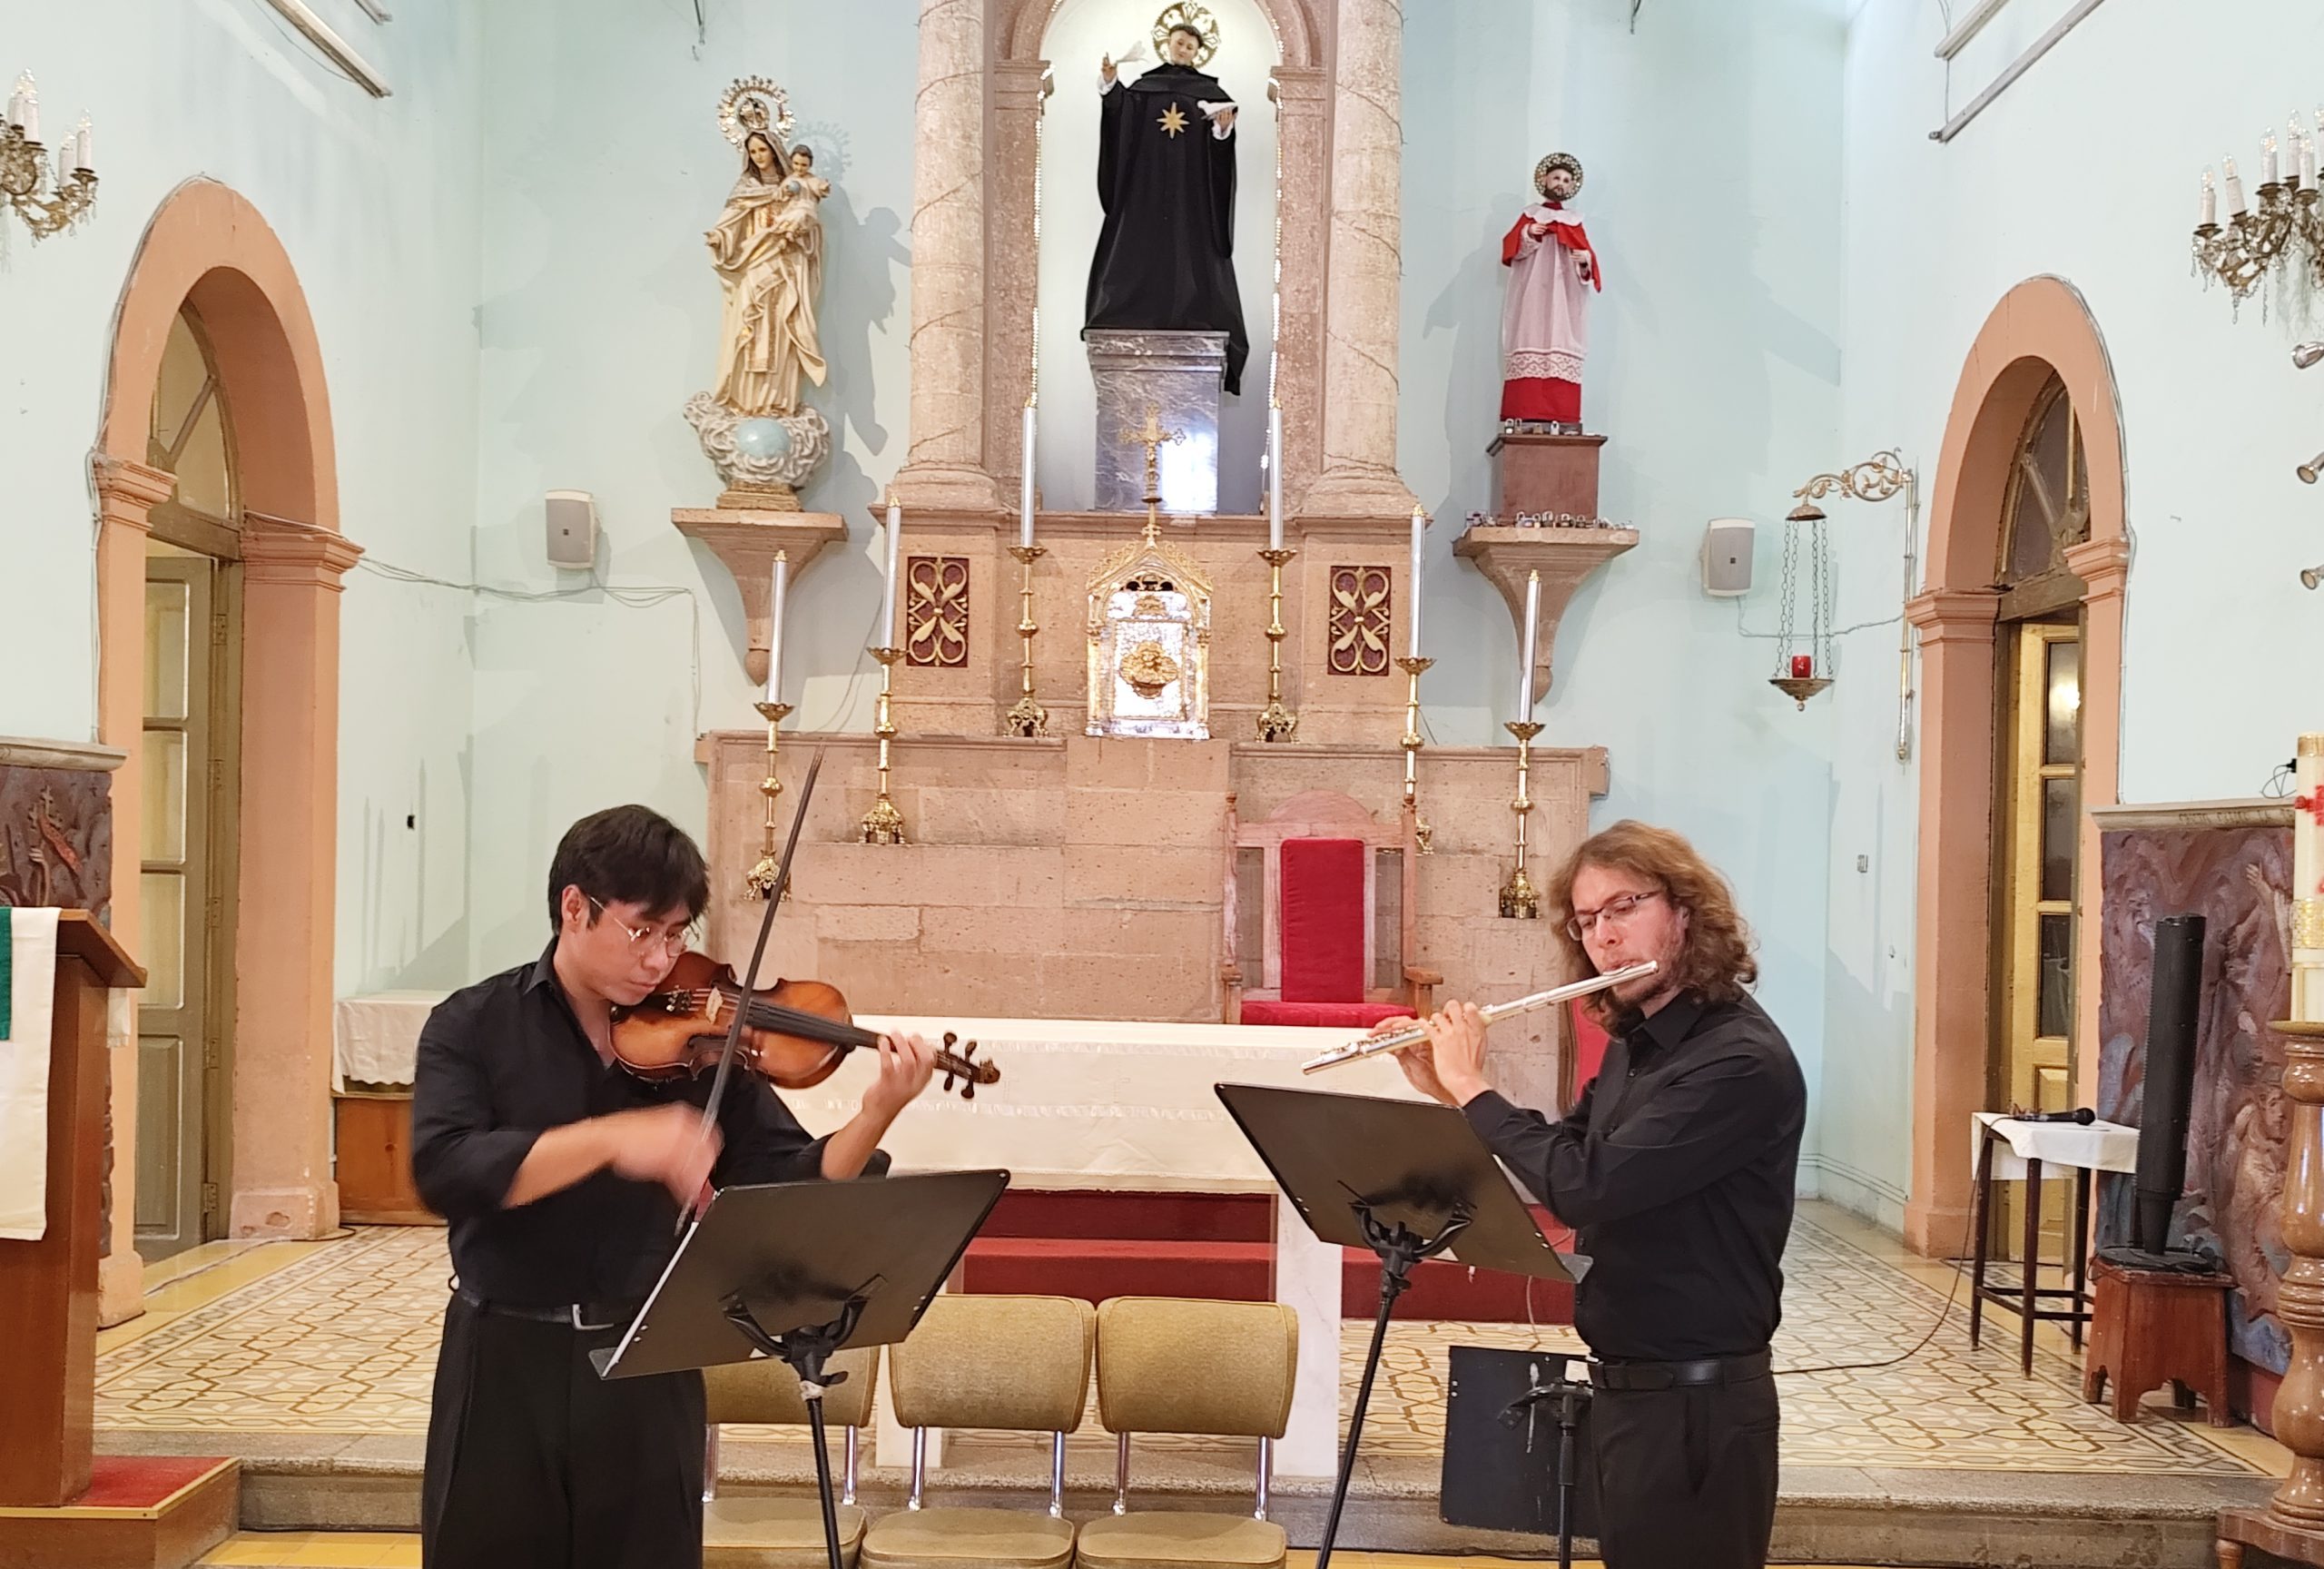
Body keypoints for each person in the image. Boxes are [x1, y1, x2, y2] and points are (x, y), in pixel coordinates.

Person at [411, 804, 936, 1569]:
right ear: (573, 908)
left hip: (644, 1357)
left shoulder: (706, 1049)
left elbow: (791, 1180)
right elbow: (447, 1170)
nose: (662, 960)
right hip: (502, 1355)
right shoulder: (473, 1025)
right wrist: (613, 1139)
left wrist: (877, 1112)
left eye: (677, 933)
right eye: (642, 931)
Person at [1388, 820, 1804, 1569]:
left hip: (1698, 1410)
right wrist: (1454, 1098)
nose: (1602, 938)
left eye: (1623, 908)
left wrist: (1474, 1087)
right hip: (1636, 1393)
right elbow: (1572, 1151)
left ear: (1685, 911)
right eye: (1586, 921)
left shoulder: (1737, 1061)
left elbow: (1584, 1188)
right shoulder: (1639, 1044)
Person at [1085, 21, 1250, 395]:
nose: (1184, 50)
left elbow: (1220, 156)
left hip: (1189, 196)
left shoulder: (1211, 93)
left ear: (1198, 52)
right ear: (1168, 45)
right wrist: (1110, 86)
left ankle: (1189, 311)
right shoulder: (1143, 90)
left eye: (1191, 46)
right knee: (1136, 250)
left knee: (1189, 254)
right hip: (1145, 191)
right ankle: (1132, 310)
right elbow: (1119, 117)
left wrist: (1222, 131)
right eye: (1179, 43)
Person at [707, 129, 829, 417]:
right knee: (751, 324)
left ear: (775, 150)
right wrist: (719, 237)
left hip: (786, 265)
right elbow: (729, 223)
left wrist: (799, 228)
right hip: (755, 261)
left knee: (782, 323)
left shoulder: (795, 185)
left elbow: (809, 220)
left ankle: (776, 401)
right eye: (753, 152)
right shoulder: (746, 188)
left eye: (763, 150)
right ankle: (746, 401)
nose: (759, 156)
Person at [1499, 152, 1601, 433]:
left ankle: (1561, 412)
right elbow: (1511, 250)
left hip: (1564, 294)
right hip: (1534, 288)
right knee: (1530, 332)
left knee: (1563, 337)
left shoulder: (1574, 220)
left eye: (1566, 180)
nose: (1561, 183)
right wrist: (1529, 233)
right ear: (1544, 180)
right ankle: (1525, 413)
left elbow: (1588, 264)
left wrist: (1584, 261)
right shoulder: (1531, 214)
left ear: (1571, 187)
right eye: (1556, 177)